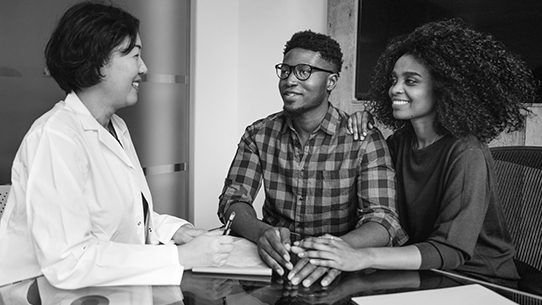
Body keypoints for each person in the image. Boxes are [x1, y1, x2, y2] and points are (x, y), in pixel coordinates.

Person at [0, 1, 233, 289]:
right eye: (135, 55)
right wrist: (179, 257)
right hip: (35, 292)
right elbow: (69, 261)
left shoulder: (116, 127)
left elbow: (126, 219)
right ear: (97, 62)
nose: (144, 68)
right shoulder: (55, 138)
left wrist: (177, 231)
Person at [292, 19, 538, 284]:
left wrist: (363, 256)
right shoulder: (400, 143)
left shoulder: (467, 152)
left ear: (444, 87)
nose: (395, 89)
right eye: (394, 79)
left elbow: (450, 249)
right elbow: (375, 203)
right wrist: (361, 130)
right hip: (421, 273)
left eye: (411, 81)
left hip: (478, 280)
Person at [217, 30, 407, 288]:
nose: (290, 80)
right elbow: (233, 199)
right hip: (275, 268)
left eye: (303, 71)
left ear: (331, 81)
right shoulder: (258, 134)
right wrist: (260, 231)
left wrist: (333, 250)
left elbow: (383, 220)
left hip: (340, 275)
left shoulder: (363, 140)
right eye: (285, 70)